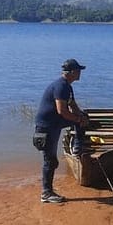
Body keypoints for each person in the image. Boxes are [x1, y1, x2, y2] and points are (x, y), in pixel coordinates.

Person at [34, 59, 89, 203]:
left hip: (55, 123)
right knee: (50, 161)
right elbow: (62, 111)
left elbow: (73, 105)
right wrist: (77, 120)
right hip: (46, 127)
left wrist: (82, 117)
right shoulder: (61, 87)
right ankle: (46, 193)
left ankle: (77, 148)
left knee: (81, 120)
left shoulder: (68, 87)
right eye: (78, 71)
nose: (80, 73)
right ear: (71, 72)